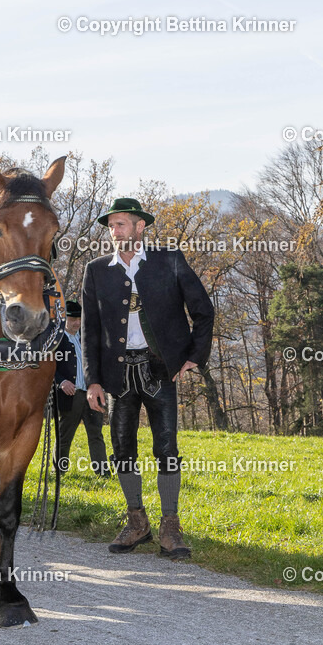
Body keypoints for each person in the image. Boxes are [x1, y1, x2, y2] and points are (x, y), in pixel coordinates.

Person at [82, 198, 214, 560]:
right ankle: (136, 522)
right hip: (117, 375)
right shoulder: (97, 270)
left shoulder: (169, 260)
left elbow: (203, 311)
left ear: (140, 226)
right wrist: (93, 380)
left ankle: (170, 526)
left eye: (120, 224)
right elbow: (90, 331)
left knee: (166, 449)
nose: (114, 231)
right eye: (111, 226)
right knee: (122, 449)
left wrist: (193, 357)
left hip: (160, 371)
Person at [53, 300, 109, 477]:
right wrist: (61, 382)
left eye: (79, 319)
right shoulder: (56, 340)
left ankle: (103, 472)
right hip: (71, 394)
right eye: (73, 319)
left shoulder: (86, 338)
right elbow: (47, 366)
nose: (77, 323)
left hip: (91, 393)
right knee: (65, 435)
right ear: (64, 319)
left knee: (96, 434)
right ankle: (59, 471)